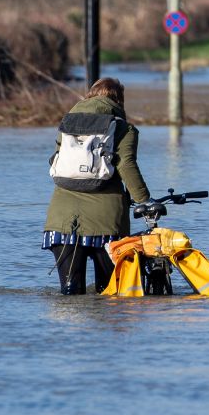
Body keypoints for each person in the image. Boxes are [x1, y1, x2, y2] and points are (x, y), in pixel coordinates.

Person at [43, 77, 151, 294]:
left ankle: (66, 329)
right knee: (108, 291)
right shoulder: (123, 128)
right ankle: (102, 328)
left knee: (70, 293)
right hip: (106, 223)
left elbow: (55, 159)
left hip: (61, 221)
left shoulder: (67, 124)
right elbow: (126, 165)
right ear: (119, 101)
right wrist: (144, 200)